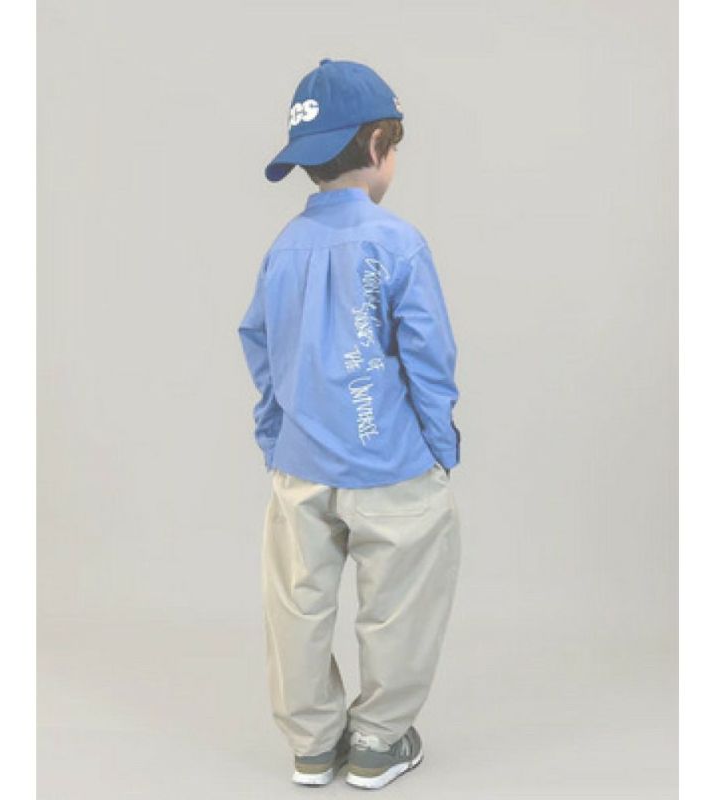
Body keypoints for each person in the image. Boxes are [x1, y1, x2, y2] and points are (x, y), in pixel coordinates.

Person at [237, 58, 462, 790]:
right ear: (377, 146)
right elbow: (429, 358)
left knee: (296, 605)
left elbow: (261, 348)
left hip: (301, 467)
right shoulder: (398, 244)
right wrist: (439, 446)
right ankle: (378, 740)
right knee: (399, 606)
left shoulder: (284, 249)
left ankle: (311, 744)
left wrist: (276, 439)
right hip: (390, 466)